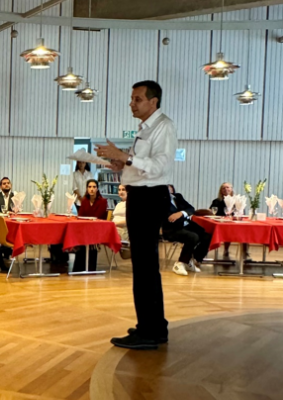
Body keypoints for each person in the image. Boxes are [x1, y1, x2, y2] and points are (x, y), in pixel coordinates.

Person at [96, 80, 177, 350]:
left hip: (150, 197)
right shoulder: (145, 128)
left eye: (137, 99)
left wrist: (126, 157)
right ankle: (152, 326)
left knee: (145, 266)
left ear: (153, 102)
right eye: (132, 98)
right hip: (140, 196)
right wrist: (121, 162)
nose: (132, 103)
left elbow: (160, 166)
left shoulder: (163, 126)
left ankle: (150, 331)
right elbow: (141, 166)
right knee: (143, 266)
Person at [164, 185, 211, 276]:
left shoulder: (178, 197)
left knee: (207, 234)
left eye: (169, 188)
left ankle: (192, 258)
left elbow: (191, 208)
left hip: (186, 225)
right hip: (172, 229)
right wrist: (183, 215)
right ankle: (180, 263)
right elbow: (169, 218)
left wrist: (181, 213)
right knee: (192, 236)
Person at [73, 179, 108, 272]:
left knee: (86, 236)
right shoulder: (84, 201)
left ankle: (90, 267)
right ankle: (79, 268)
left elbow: (99, 216)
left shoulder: (103, 201)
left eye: (94, 187)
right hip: (85, 228)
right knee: (79, 235)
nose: (91, 189)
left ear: (97, 189)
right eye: (89, 187)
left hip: (97, 228)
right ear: (87, 189)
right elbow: (80, 216)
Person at [210, 182, 249, 260]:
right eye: (223, 188)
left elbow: (242, 212)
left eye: (227, 187)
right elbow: (211, 211)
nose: (225, 189)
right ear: (221, 190)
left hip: (236, 223)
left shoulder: (237, 200)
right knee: (228, 230)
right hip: (222, 224)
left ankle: (245, 252)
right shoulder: (217, 201)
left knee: (246, 231)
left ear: (231, 189)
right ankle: (226, 250)